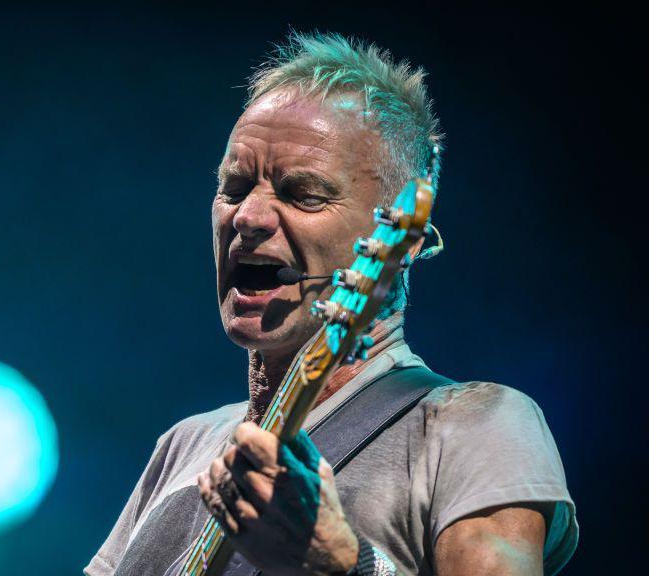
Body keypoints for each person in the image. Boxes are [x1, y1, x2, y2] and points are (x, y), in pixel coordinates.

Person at [85, 32, 578, 576]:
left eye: (304, 194)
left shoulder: (474, 425)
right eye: (234, 185)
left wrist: (342, 564)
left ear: (399, 243)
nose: (247, 216)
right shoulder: (183, 446)